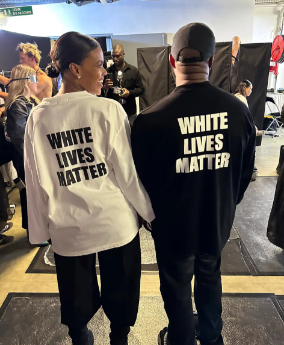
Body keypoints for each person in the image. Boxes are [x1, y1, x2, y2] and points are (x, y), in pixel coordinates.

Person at [24, 31, 154, 345]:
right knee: (121, 295)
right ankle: (118, 338)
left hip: (68, 227)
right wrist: (148, 213)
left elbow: (35, 180)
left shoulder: (38, 118)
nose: (104, 73)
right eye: (98, 65)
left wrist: (40, 233)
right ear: (75, 69)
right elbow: (126, 173)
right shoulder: (108, 111)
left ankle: (82, 338)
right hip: (115, 223)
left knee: (74, 302)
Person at [131, 23, 256, 345]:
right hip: (216, 218)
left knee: (175, 285)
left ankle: (181, 338)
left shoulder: (149, 119)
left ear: (172, 62)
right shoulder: (238, 112)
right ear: (213, 61)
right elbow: (244, 172)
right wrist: (226, 202)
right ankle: (212, 336)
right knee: (210, 276)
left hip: (172, 225)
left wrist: (151, 217)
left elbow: (140, 182)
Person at [5, 65, 47, 247]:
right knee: (31, 195)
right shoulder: (18, 105)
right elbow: (21, 138)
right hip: (27, 159)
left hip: (33, 157)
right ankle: (35, 233)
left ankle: (38, 230)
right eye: (34, 79)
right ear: (25, 82)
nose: (37, 83)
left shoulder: (28, 101)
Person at [104, 44, 144, 126]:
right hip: (113, 111)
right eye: (113, 56)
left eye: (118, 56)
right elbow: (99, 93)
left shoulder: (133, 71)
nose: (115, 59)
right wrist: (105, 87)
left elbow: (141, 89)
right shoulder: (107, 72)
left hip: (130, 112)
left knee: (131, 134)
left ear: (123, 54)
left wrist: (129, 93)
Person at [235, 79, 264, 181]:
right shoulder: (242, 99)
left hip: (236, 129)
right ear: (244, 88)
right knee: (249, 150)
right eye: (250, 89)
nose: (251, 91)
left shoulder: (237, 97)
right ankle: (252, 171)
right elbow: (248, 117)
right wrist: (254, 129)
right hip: (240, 130)